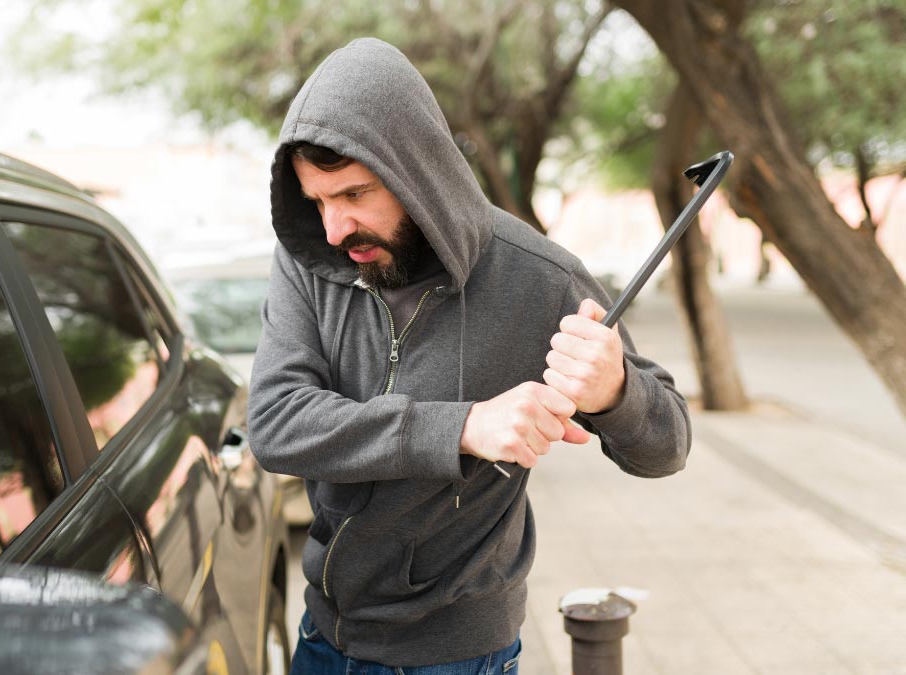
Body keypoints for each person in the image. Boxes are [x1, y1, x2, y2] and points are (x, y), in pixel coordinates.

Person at [248, 38, 690, 673]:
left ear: (416, 170)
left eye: (353, 195)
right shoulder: (310, 263)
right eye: (317, 201)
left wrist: (616, 390)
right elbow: (276, 424)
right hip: (323, 637)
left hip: (458, 656)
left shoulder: (541, 278)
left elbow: (667, 446)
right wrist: (463, 426)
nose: (333, 229)